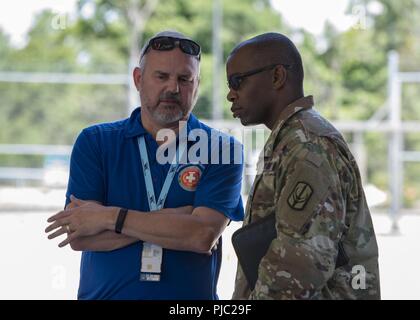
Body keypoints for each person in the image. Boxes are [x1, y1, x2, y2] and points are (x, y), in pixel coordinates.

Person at [45, 30, 244, 300]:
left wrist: (108, 218)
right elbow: (79, 236)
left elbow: (200, 236)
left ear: (197, 85)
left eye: (184, 79)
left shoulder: (223, 149)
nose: (173, 88)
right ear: (138, 79)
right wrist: (177, 223)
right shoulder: (95, 142)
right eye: (161, 76)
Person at [226, 32, 380, 299]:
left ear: (277, 77)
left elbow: (295, 271)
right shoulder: (293, 139)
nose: (230, 94)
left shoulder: (308, 146)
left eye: (237, 81)